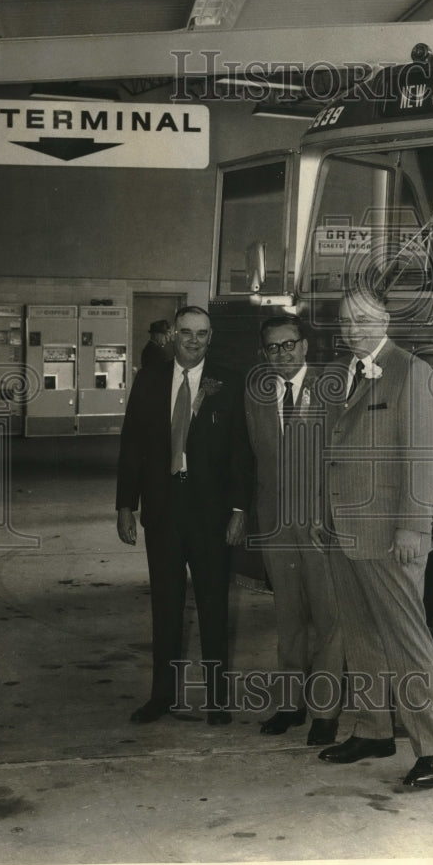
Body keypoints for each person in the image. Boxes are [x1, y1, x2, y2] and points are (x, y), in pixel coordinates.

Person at [309, 290, 433, 790]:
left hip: (392, 534)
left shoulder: (412, 372)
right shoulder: (339, 373)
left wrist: (413, 526)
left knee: (409, 642)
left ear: (385, 319)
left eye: (363, 319)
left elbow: (425, 457)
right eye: (345, 321)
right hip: (344, 530)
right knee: (361, 636)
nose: (353, 329)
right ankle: (372, 730)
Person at [116, 306, 252, 725]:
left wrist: (239, 510)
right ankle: (162, 696)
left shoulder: (228, 383)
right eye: (187, 332)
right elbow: (131, 444)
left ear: (211, 338)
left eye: (202, 334)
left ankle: (216, 700)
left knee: (214, 607)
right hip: (162, 512)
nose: (194, 340)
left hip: (211, 515)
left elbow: (241, 452)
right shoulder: (150, 380)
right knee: (165, 606)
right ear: (173, 335)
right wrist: (125, 504)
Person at [245, 316, 344, 747]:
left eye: (289, 345)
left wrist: (333, 514)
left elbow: (346, 459)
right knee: (287, 618)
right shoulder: (257, 395)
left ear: (305, 347)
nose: (281, 354)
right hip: (277, 525)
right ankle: (290, 704)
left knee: (328, 619)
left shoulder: (333, 389)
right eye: (272, 348)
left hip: (321, 524)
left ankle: (325, 712)